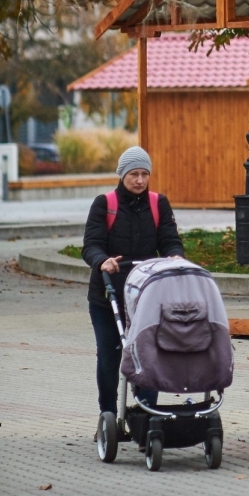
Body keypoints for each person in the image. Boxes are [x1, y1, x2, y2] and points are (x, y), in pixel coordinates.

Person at [82, 145, 184, 415]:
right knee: (109, 354)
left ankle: (146, 413)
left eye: (144, 174)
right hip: (108, 296)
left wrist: (174, 256)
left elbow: (170, 239)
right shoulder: (105, 204)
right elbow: (91, 245)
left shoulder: (158, 203)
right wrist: (102, 260)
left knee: (148, 354)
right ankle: (108, 414)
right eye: (134, 174)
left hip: (146, 296)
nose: (139, 180)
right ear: (122, 175)